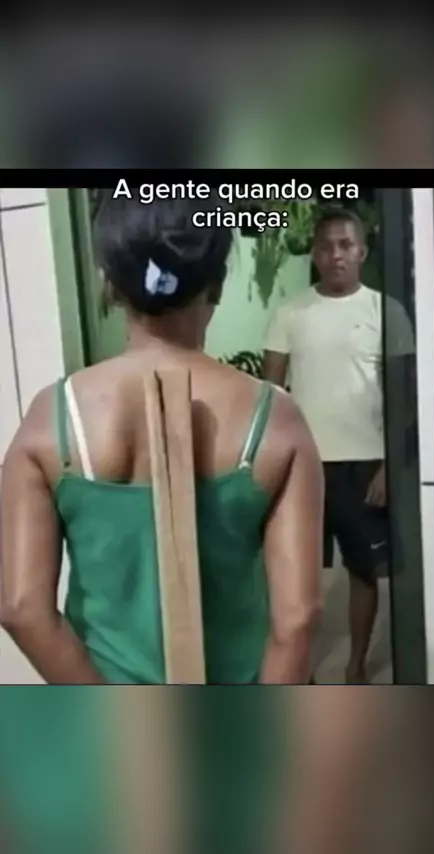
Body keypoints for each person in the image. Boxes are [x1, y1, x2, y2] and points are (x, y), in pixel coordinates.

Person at [0, 190, 323, 686]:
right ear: (217, 285)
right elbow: (297, 619)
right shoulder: (276, 419)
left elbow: (21, 606)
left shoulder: (53, 417)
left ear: (109, 285)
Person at [264, 207, 414, 684]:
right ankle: (302, 671)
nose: (336, 255)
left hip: (366, 464)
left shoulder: (386, 312)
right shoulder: (289, 313)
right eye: (326, 246)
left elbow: (405, 399)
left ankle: (355, 666)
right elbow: (271, 397)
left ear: (362, 252)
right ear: (314, 254)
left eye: (346, 245)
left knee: (364, 571)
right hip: (303, 464)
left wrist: (390, 464)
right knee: (299, 576)